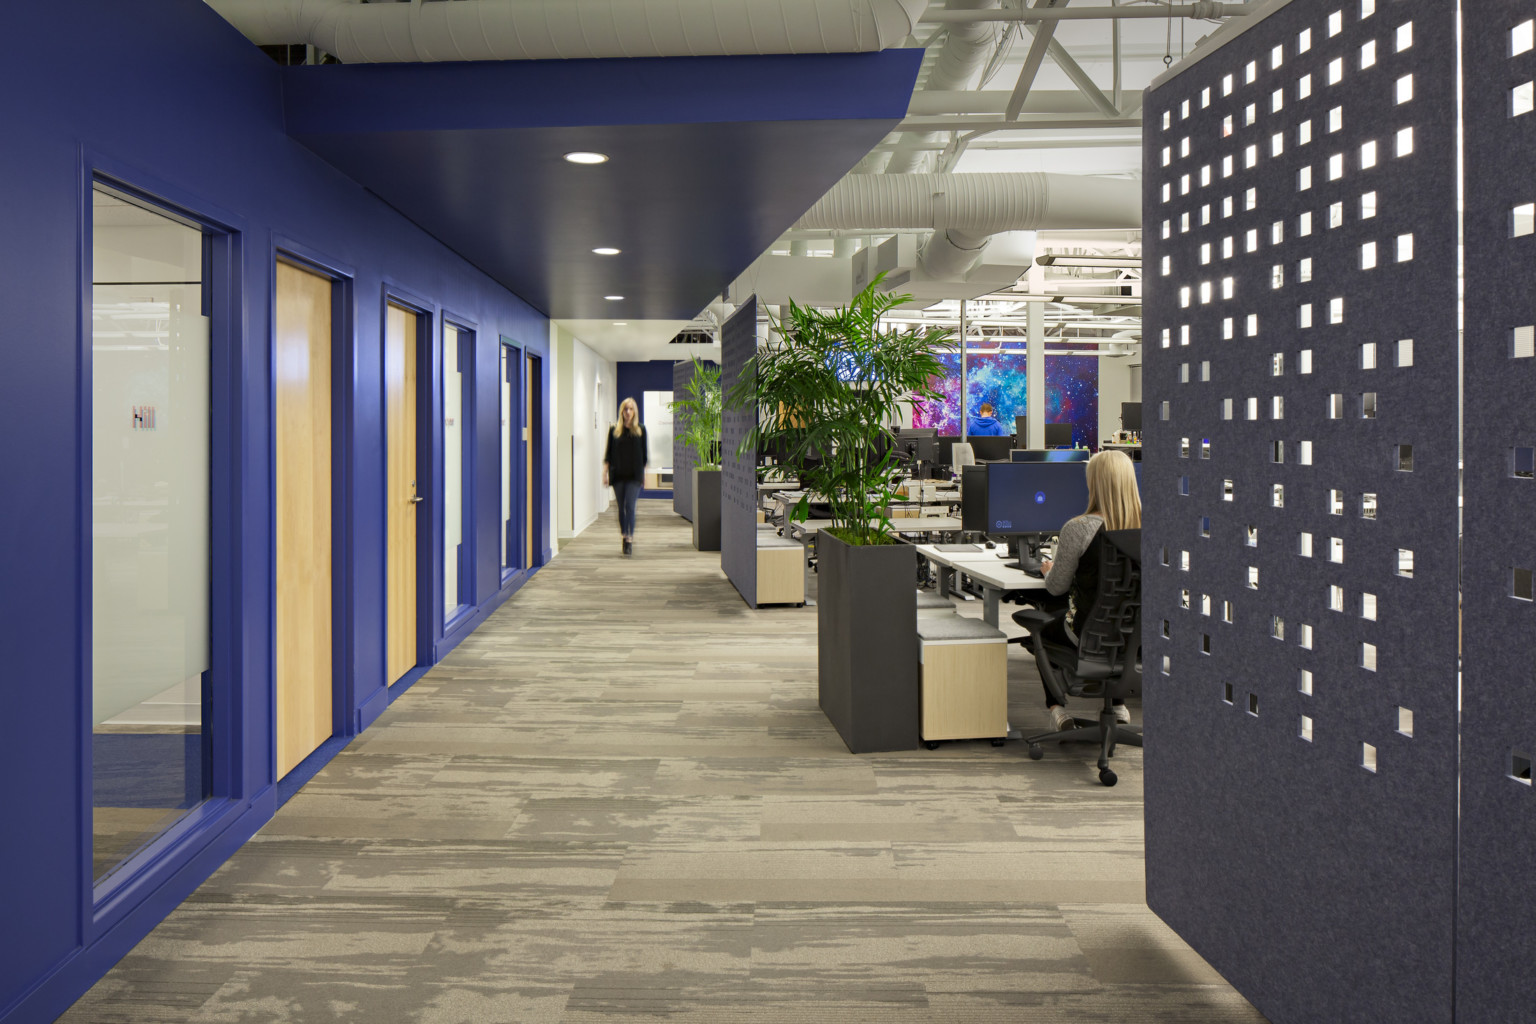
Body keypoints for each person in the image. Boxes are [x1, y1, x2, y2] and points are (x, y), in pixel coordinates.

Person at [1034, 449, 1142, 733]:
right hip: (1138, 639)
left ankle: (1057, 710)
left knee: (1042, 627)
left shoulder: (1079, 528)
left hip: (1087, 636)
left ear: (1094, 483)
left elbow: (1057, 588)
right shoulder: (1154, 528)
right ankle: (1117, 704)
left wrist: (1049, 570)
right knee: (1118, 620)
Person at [603, 397, 648, 556]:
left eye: (630, 409)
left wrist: (644, 476)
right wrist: (605, 473)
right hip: (618, 475)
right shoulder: (614, 430)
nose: (628, 412)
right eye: (625, 409)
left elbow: (644, 456)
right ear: (621, 412)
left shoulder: (641, 430)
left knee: (630, 506)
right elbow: (608, 453)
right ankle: (624, 534)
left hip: (634, 476)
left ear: (635, 411)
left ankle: (629, 538)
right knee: (621, 508)